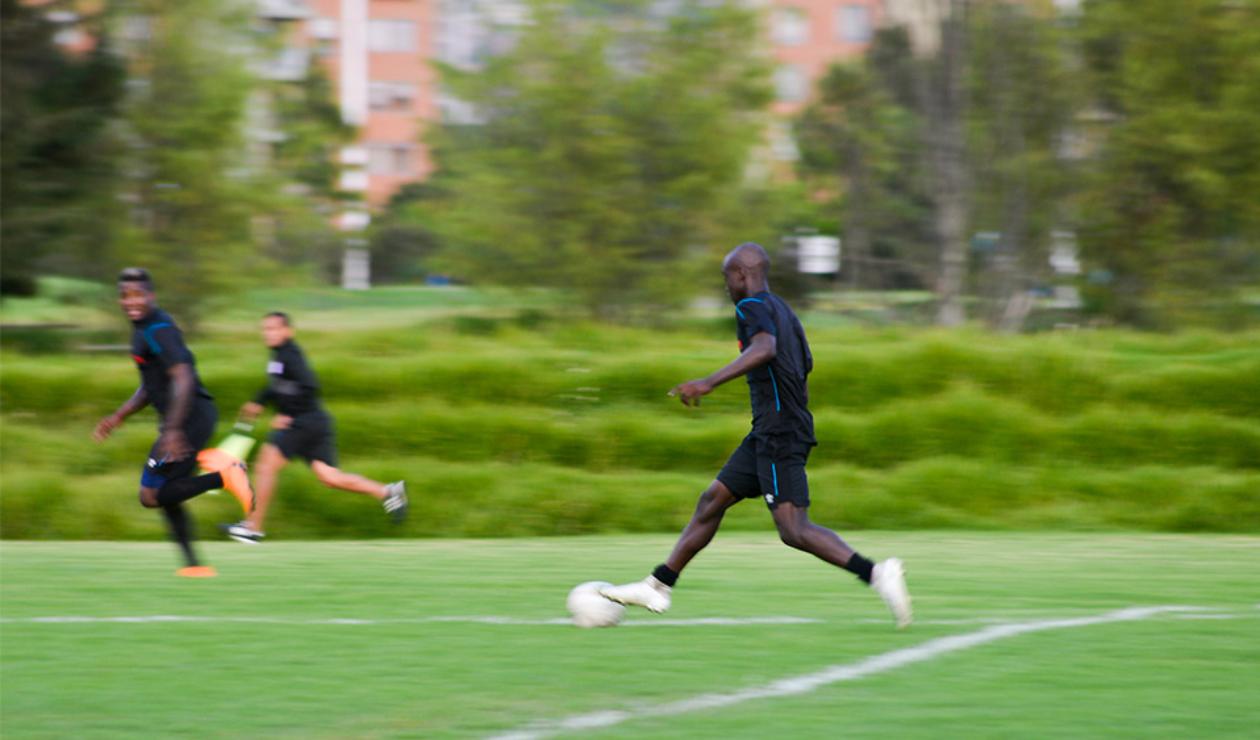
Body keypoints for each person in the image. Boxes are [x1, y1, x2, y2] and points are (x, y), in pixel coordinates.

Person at [601, 243, 913, 628]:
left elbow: (765, 349)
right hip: (773, 429)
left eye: (726, 277)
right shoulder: (785, 310)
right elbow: (804, 367)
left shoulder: (750, 307)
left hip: (778, 432)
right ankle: (658, 585)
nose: (726, 285)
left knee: (793, 529)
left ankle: (877, 574)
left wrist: (708, 382)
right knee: (712, 500)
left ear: (743, 275)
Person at [93, 268, 254, 577]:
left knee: (150, 495)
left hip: (189, 419)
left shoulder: (159, 329)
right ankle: (194, 566)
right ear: (119, 299)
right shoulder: (141, 329)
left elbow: (183, 375)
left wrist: (174, 430)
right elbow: (150, 385)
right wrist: (119, 416)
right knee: (168, 493)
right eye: (126, 296)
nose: (132, 302)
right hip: (187, 419)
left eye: (138, 294)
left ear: (151, 296)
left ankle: (225, 475)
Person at [219, 312, 407, 544]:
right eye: (265, 329)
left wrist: (286, 412)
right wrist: (259, 400)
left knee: (265, 466)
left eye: (274, 329)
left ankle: (253, 528)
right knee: (329, 476)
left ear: (288, 331)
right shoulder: (279, 356)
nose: (269, 333)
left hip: (302, 422)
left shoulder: (291, 354)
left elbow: (309, 385)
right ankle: (388, 492)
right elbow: (276, 385)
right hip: (316, 422)